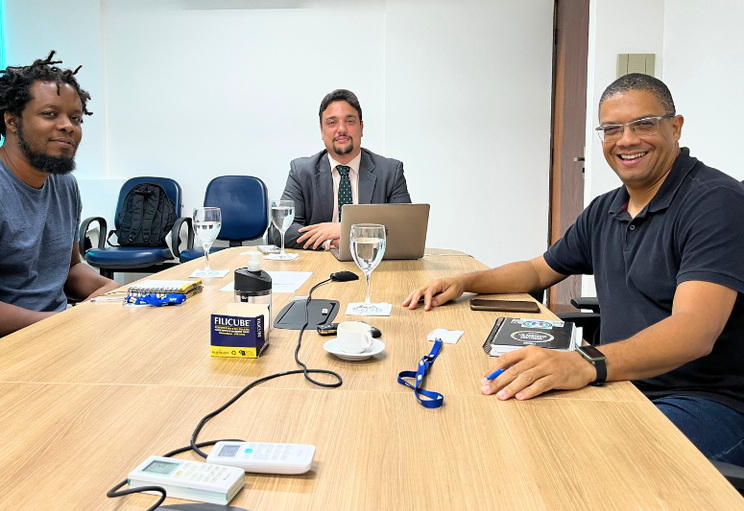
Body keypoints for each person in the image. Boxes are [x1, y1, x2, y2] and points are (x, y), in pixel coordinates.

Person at [403, 74, 744, 465]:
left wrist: (585, 362)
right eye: (612, 129)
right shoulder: (605, 208)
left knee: (576, 458)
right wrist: (464, 282)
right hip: (619, 383)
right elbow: (538, 270)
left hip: (706, 403)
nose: (627, 140)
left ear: (676, 126)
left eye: (643, 124)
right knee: (506, 420)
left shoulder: (716, 203)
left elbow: (693, 333)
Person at [0, 51, 119, 345]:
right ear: (12, 120)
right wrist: (67, 322)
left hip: (56, 337)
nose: (68, 126)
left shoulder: (64, 184)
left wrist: (111, 288)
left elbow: (68, 269)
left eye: (75, 118)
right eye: (50, 114)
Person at [271, 89, 411, 250]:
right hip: (318, 264)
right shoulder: (302, 171)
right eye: (332, 123)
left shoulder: (390, 171)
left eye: (350, 121)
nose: (341, 129)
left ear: (361, 127)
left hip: (373, 263)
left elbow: (405, 229)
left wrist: (343, 228)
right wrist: (331, 242)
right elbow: (279, 230)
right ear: (322, 131)